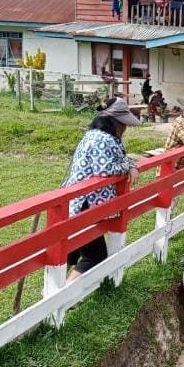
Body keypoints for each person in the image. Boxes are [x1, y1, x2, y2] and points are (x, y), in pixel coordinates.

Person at [62, 102, 141, 281]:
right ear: (115, 122)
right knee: (94, 256)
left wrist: (128, 163)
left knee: (73, 251)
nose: (125, 129)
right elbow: (104, 170)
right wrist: (128, 165)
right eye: (124, 124)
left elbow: (116, 160)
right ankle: (67, 297)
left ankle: (51, 292)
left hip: (79, 201)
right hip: (86, 203)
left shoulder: (97, 136)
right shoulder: (102, 139)